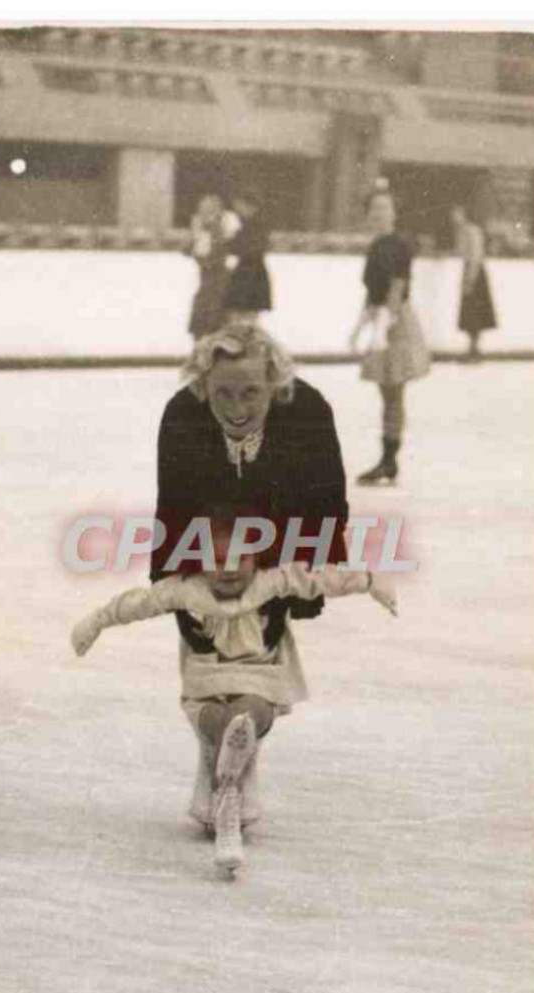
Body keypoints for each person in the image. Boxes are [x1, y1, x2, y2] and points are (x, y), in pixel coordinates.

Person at [72, 524, 397, 876]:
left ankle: (236, 740)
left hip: (255, 677)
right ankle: (230, 745)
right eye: (217, 559)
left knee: (251, 709)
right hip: (207, 681)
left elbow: (321, 579)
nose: (228, 569)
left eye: (239, 558)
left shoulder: (271, 582)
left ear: (256, 557)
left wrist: (369, 580)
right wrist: (96, 621)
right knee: (214, 716)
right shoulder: (186, 589)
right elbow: (137, 603)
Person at [150, 322, 350, 851]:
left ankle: (228, 783)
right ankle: (225, 783)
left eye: (251, 392)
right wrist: (177, 591)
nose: (236, 406)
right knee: (209, 668)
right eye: (222, 392)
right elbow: (172, 508)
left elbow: (328, 499)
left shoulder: (306, 412)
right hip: (207, 552)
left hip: (279, 544)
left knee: (257, 668)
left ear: (275, 383)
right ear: (202, 384)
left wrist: (311, 579)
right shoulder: (182, 416)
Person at [349, 178, 431, 486]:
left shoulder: (400, 245)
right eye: (375, 208)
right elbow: (371, 291)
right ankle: (387, 457)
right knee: (386, 392)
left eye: (386, 207)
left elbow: (397, 287)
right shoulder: (375, 247)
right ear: (369, 214)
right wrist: (359, 328)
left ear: (395, 212)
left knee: (394, 391)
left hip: (396, 321)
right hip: (380, 318)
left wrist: (384, 326)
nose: (381, 212)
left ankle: (389, 459)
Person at [451, 206, 497, 361]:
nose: (453, 216)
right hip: (469, 270)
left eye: (456, 213)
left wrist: (470, 279)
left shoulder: (472, 230)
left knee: (475, 312)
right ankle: (471, 348)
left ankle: (475, 349)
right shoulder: (462, 231)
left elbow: (476, 256)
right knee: (470, 313)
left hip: (475, 273)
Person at [223, 188, 272, 325]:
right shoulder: (243, 224)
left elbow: (251, 248)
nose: (237, 209)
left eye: (240, 205)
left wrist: (231, 241)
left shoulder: (257, 225)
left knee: (247, 317)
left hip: (252, 272)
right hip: (246, 271)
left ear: (250, 206)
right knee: (238, 315)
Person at [186, 194, 230, 341]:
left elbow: (219, 251)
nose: (204, 214)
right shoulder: (200, 229)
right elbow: (188, 250)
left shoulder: (222, 227)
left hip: (218, 278)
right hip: (205, 278)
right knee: (204, 309)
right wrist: (194, 236)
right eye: (202, 210)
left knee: (214, 310)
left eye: (209, 210)